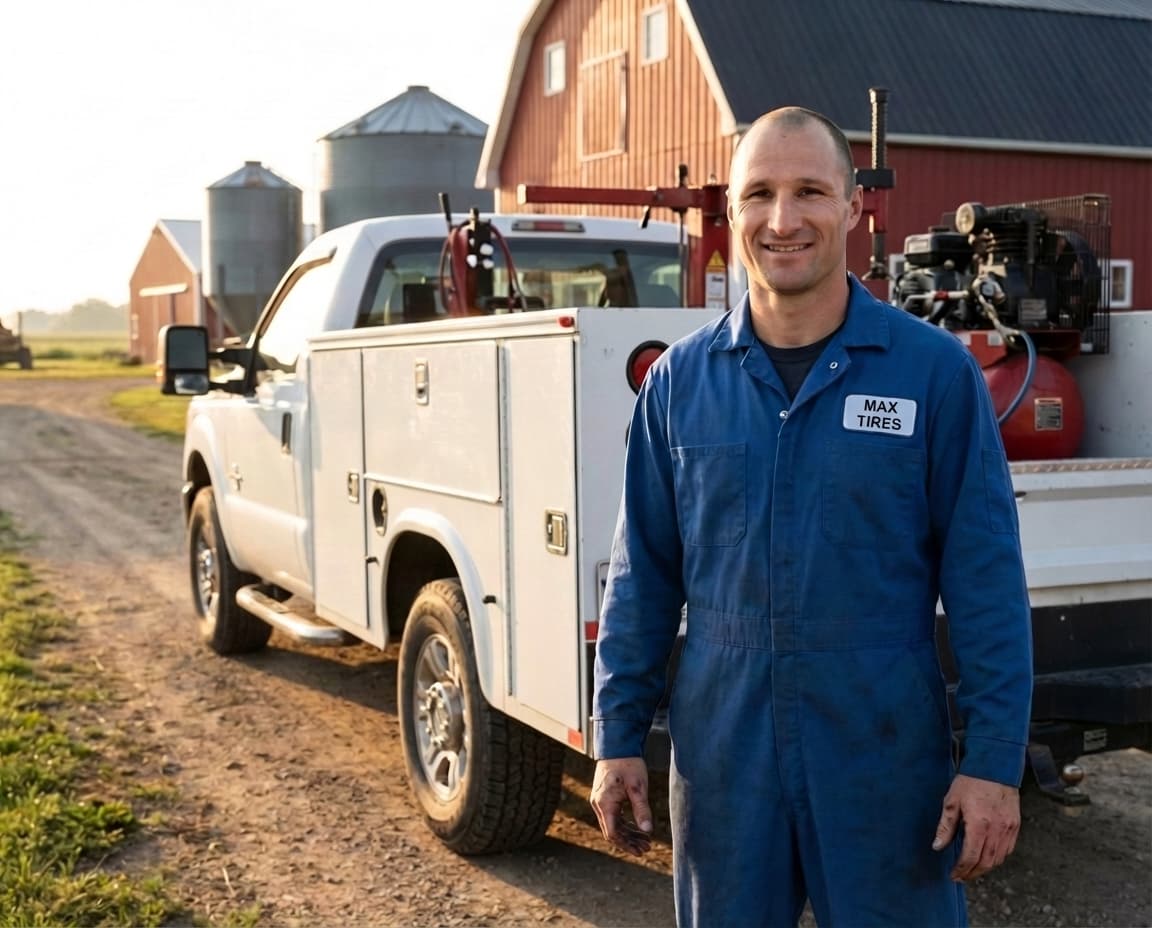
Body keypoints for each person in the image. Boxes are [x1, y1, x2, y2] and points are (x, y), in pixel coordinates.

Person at [589, 106, 1033, 928]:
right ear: (731, 214)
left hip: (882, 749)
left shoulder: (932, 377)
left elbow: (986, 582)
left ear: (853, 208)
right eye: (759, 193)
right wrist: (616, 736)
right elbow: (642, 578)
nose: (783, 220)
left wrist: (995, 760)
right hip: (724, 755)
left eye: (809, 192)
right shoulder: (680, 385)